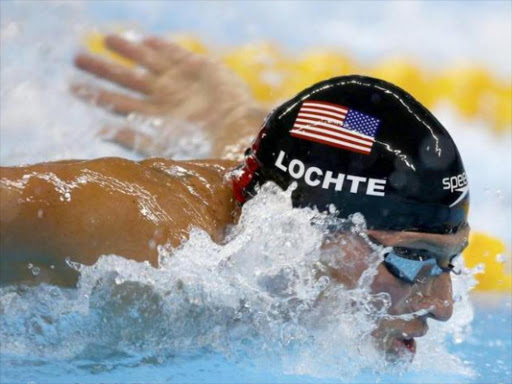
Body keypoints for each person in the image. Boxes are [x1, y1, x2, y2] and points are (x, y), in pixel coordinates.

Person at [0, 35, 470, 358]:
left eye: (450, 262)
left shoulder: (279, 219)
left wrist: (225, 114)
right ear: (311, 232)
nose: (444, 305)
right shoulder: (144, 232)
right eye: (413, 259)